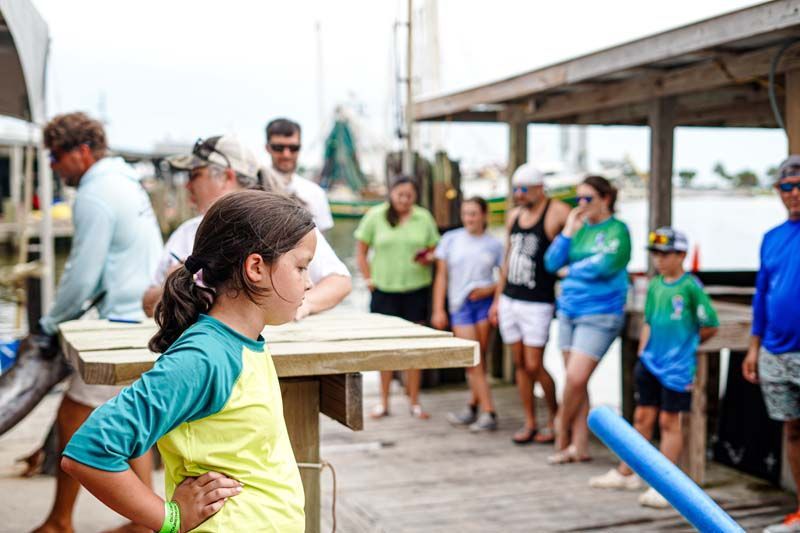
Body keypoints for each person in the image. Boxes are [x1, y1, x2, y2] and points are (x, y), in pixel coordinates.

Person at [61, 190, 315, 532]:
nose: (309, 283)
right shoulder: (205, 356)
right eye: (301, 267)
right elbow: (90, 450)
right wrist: (170, 519)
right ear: (256, 267)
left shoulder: (245, 342)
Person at [34, 112, 163, 533]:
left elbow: (82, 275)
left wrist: (51, 323)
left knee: (73, 414)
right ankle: (145, 518)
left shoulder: (95, 193)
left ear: (83, 151)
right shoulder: (125, 179)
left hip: (119, 324)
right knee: (132, 417)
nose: (53, 165)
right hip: (146, 319)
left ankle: (61, 521)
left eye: (56, 156)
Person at [141, 135, 350, 320]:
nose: (187, 185)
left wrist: (301, 305)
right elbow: (148, 305)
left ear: (226, 177)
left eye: (194, 175)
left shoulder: (284, 227)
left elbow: (340, 281)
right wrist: (173, 283)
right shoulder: (186, 233)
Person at [589, 227, 718, 508]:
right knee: (641, 418)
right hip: (650, 362)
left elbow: (710, 324)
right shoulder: (655, 284)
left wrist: (687, 346)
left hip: (677, 368)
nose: (659, 259)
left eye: (665, 254)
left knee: (669, 422)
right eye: (655, 254)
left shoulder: (690, 287)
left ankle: (666, 485)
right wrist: (643, 352)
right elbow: (648, 320)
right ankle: (627, 472)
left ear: (681, 255)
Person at [544, 175, 631, 464]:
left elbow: (606, 265)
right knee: (576, 383)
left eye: (587, 198)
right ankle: (579, 446)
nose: (581, 204)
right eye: (577, 199)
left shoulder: (618, 230)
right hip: (569, 310)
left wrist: (572, 270)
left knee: (575, 377)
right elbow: (551, 263)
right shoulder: (579, 230)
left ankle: (560, 424)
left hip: (600, 312)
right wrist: (568, 231)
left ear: (606, 199)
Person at [488, 164, 570, 444]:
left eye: (524, 189)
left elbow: (577, 234)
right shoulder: (514, 216)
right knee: (520, 364)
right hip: (511, 297)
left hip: (538, 300)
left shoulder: (556, 211)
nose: (519, 194)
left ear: (539, 188)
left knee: (535, 364)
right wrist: (497, 300)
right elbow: (507, 260)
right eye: (515, 190)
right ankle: (530, 420)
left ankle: (555, 416)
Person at [741, 156, 800, 533]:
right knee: (791, 430)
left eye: (799, 186)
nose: (793, 194)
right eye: (786, 187)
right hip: (775, 350)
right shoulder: (772, 238)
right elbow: (761, 295)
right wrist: (753, 347)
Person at [355, 175, 440, 419]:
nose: (404, 199)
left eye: (409, 195)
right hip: (383, 291)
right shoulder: (376, 215)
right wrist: (368, 279)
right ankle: (383, 402)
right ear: (391, 193)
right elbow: (361, 252)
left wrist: (428, 257)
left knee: (414, 346)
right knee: (385, 347)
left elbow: (434, 248)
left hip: (416, 290)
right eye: (400, 194)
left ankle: (414, 401)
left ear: (415, 197)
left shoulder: (423, 217)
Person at [432, 197, 504, 432]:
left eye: (473, 213)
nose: (469, 218)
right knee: (473, 360)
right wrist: (438, 308)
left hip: (483, 304)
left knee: (479, 360)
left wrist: (491, 292)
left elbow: (504, 279)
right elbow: (441, 276)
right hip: (460, 305)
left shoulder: (494, 244)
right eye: (465, 214)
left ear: (484, 215)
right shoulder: (450, 239)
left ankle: (473, 406)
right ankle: (489, 411)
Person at [263, 118, 334, 231]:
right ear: (267, 148)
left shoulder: (315, 193)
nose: (286, 154)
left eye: (293, 148)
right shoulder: (254, 187)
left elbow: (322, 235)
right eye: (279, 148)